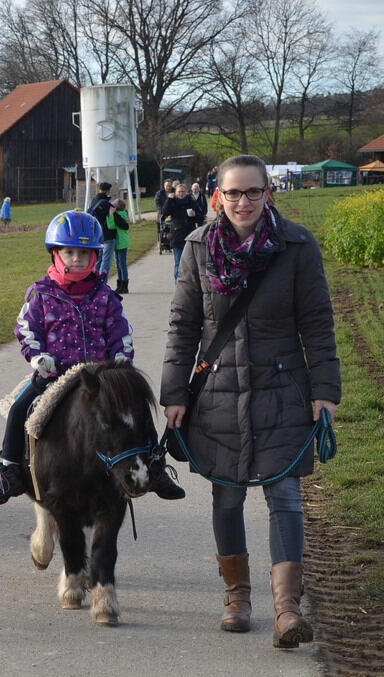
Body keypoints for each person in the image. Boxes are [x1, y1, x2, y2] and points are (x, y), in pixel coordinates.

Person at [160, 154, 340, 648]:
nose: (243, 202)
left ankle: (287, 610)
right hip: (218, 393)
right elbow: (183, 327)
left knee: (284, 496)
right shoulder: (198, 247)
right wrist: (174, 393)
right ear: (218, 196)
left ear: (268, 194)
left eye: (253, 192)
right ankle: (237, 597)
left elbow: (318, 325)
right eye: (233, 193)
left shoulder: (297, 246)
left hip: (284, 390)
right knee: (228, 494)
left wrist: (325, 391)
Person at [0, 210, 184, 506]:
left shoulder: (105, 296)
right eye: (70, 252)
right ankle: (9, 470)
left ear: (95, 257)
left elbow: (120, 331)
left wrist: (122, 359)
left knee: (136, 404)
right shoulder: (41, 294)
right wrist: (38, 358)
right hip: (55, 373)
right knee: (20, 408)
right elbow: (26, 328)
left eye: (84, 254)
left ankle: (154, 465)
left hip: (101, 376)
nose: (77, 259)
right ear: (56, 254)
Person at [159, 183, 199, 283]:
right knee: (178, 262)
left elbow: (201, 216)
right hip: (177, 235)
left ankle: (190, 283)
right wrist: (169, 199)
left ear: (186, 192)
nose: (181, 194)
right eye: (179, 192)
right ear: (175, 193)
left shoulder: (191, 202)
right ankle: (178, 284)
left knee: (190, 263)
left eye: (183, 192)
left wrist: (195, 215)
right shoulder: (172, 202)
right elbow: (164, 213)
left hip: (190, 235)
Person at [88, 182, 115, 277]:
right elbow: (113, 219)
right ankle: (102, 281)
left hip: (96, 234)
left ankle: (94, 280)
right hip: (107, 234)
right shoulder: (106, 203)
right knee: (106, 260)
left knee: (98, 260)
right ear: (108, 190)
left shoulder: (94, 201)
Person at [107, 198, 131, 294]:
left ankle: (124, 285)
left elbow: (111, 225)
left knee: (122, 264)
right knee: (118, 264)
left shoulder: (119, 216)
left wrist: (110, 215)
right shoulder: (119, 215)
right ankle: (120, 284)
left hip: (121, 242)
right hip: (119, 242)